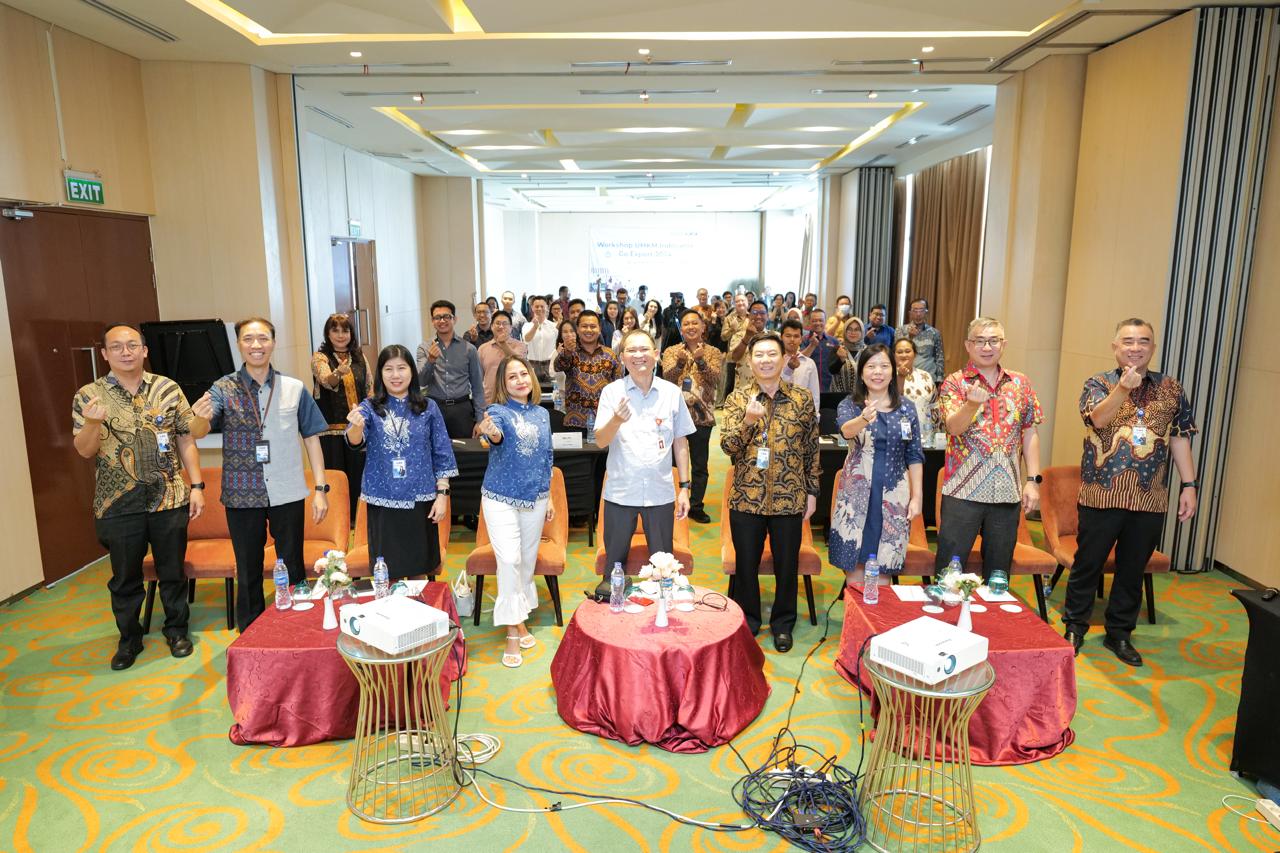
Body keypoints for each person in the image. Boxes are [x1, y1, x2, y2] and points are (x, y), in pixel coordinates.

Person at [1062, 319, 1198, 666]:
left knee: (1133, 570)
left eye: (1143, 341)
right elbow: (1097, 419)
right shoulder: (1098, 383)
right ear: (1115, 346)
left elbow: (1180, 438)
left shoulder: (1171, 388)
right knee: (1088, 564)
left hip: (1149, 497)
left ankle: (1119, 634)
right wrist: (1123, 388)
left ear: (1153, 347)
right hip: (1102, 494)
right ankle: (1075, 626)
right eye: (1128, 341)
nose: (1136, 348)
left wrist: (1189, 485)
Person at [73, 323, 208, 669]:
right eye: (116, 347)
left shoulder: (168, 388)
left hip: (169, 497)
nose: (126, 352)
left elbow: (186, 438)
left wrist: (196, 486)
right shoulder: (89, 396)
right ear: (104, 354)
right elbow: (85, 450)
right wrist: (92, 423)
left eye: (132, 345)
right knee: (125, 578)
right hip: (117, 504)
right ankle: (129, 640)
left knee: (172, 571)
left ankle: (177, 630)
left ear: (144, 350)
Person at [198, 317, 329, 632]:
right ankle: (251, 634)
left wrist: (320, 489)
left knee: (293, 564)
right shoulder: (222, 388)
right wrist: (197, 418)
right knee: (248, 568)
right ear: (238, 344)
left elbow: (311, 438)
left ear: (273, 342)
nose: (256, 345)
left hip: (287, 490)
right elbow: (198, 431)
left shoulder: (294, 388)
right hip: (241, 493)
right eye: (248, 339)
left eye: (262, 339)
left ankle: (296, 626)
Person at [721, 332, 820, 653]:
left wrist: (812, 491)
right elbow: (728, 446)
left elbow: (811, 448)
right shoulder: (738, 399)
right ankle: (748, 620)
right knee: (746, 565)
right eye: (759, 355)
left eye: (771, 354)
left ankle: (783, 623)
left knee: (787, 566)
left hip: (789, 497)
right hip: (746, 498)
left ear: (783, 358)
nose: (765, 360)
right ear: (750, 361)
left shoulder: (801, 398)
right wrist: (748, 421)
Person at [934, 317, 1043, 583]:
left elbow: (1030, 431)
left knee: (998, 574)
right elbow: (953, 427)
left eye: (993, 341)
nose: (987, 347)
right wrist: (971, 405)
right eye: (980, 341)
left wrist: (1032, 481)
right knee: (949, 573)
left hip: (1006, 494)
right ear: (968, 345)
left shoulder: (1020, 383)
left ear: (1003, 345)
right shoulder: (955, 382)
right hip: (963, 492)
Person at [593, 329, 694, 593]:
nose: (639, 355)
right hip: (620, 492)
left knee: (664, 571)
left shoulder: (671, 393)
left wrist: (685, 487)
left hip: (660, 494)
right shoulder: (611, 392)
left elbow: (681, 443)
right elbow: (601, 440)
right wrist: (616, 420)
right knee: (612, 575)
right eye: (631, 350)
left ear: (656, 354)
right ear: (622, 357)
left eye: (644, 349)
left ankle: (661, 615)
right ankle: (613, 613)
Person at [345, 344, 456, 580]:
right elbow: (354, 441)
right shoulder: (369, 407)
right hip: (383, 500)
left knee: (419, 571)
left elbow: (443, 453)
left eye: (402, 368)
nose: (395, 375)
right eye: (388, 369)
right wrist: (356, 427)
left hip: (421, 500)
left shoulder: (428, 407)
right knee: (387, 572)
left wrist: (442, 496)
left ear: (412, 372)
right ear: (380, 374)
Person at [476, 355, 554, 668]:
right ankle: (512, 631)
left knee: (525, 562)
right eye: (512, 376)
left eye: (524, 374)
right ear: (503, 384)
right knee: (508, 560)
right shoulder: (498, 411)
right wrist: (490, 432)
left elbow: (547, 456)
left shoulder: (542, 414)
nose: (520, 380)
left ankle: (519, 619)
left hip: (536, 498)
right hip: (500, 497)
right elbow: (494, 435)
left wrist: (548, 496)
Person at [829, 345, 924, 585]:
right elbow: (846, 431)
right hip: (857, 495)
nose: (878, 372)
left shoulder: (907, 408)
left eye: (884, 366)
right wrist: (863, 418)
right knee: (854, 565)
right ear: (862, 373)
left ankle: (879, 609)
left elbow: (914, 455)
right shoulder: (850, 404)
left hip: (894, 496)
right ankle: (855, 608)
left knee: (884, 566)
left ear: (893, 371)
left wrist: (917, 497)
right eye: (871, 366)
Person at [661, 309, 723, 524]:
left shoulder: (713, 352)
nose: (690, 327)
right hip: (674, 416)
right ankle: (673, 501)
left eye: (694, 323)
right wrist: (679, 363)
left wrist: (701, 361)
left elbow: (716, 379)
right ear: (681, 328)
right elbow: (667, 379)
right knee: (673, 462)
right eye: (686, 324)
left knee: (699, 464)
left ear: (703, 327)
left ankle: (696, 505)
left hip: (702, 415)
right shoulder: (671, 351)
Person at [311, 312, 371, 521]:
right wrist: (339, 372)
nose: (340, 335)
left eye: (345, 330)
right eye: (335, 330)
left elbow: (369, 388)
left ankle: (360, 520)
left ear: (351, 333)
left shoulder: (360, 357)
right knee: (336, 478)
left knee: (359, 475)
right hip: (331, 431)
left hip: (358, 429)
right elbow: (326, 381)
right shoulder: (320, 357)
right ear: (327, 334)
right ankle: (337, 522)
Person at [417, 299, 485, 439]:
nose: (442, 320)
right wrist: (430, 361)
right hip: (435, 407)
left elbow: (478, 387)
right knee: (434, 449)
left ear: (455, 319)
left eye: (446, 316)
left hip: (462, 409)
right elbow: (421, 381)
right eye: (437, 317)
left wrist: (480, 420)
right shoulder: (424, 348)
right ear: (432, 321)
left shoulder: (469, 349)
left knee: (465, 451)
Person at [554, 310, 622, 432]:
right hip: (574, 423)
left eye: (593, 326)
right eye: (584, 326)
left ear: (599, 329)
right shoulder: (570, 352)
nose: (589, 330)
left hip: (604, 422)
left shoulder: (610, 355)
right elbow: (558, 366)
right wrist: (567, 352)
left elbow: (618, 387)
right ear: (578, 329)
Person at [477, 310, 528, 403]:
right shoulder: (482, 349)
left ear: (511, 327)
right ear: (491, 326)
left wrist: (503, 344)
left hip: (515, 399)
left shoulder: (520, 346)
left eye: (505, 323)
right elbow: (479, 378)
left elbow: (518, 362)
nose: (501, 326)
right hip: (490, 400)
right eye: (497, 323)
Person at [897, 298, 945, 383]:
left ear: (926, 312)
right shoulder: (900, 330)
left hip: (928, 378)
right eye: (915, 310)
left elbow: (939, 358)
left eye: (921, 310)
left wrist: (939, 379)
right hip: (906, 377)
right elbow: (897, 351)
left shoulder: (935, 333)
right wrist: (909, 337)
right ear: (910, 313)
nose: (918, 314)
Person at [893, 337, 935, 431]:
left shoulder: (926, 376)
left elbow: (934, 405)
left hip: (923, 429)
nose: (904, 355)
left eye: (908, 351)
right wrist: (900, 377)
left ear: (915, 354)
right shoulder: (887, 376)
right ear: (894, 355)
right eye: (899, 352)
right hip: (896, 429)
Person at [729, 300, 769, 389]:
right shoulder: (738, 335)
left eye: (762, 313)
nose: (758, 316)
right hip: (743, 389)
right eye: (754, 313)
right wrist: (747, 337)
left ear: (767, 316)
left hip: (767, 388)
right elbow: (734, 358)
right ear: (749, 315)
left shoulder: (775, 337)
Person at [779, 318, 820, 406]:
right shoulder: (774, 361)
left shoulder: (809, 363)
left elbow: (814, 395)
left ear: (801, 339)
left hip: (803, 411)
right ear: (781, 338)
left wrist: (815, 413)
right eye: (788, 336)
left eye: (796, 336)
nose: (792, 339)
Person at [801, 308, 840, 392]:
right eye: (814, 321)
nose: (818, 323)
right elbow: (801, 360)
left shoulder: (834, 341)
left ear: (825, 322)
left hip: (829, 388)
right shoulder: (804, 340)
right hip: (808, 388)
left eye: (820, 320)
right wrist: (812, 345)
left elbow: (838, 366)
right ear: (810, 322)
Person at [522, 295, 558, 382]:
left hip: (550, 365)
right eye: (536, 306)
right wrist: (535, 327)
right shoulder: (527, 325)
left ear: (547, 307)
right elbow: (526, 340)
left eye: (542, 306)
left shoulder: (554, 326)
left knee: (551, 389)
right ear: (532, 308)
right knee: (533, 389)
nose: (539, 309)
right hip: (532, 365)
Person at [830, 315, 867, 394]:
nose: (853, 333)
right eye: (849, 329)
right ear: (845, 331)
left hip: (863, 397)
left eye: (857, 329)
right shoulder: (838, 349)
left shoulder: (868, 351)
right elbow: (832, 371)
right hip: (840, 397)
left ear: (862, 332)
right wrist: (840, 360)